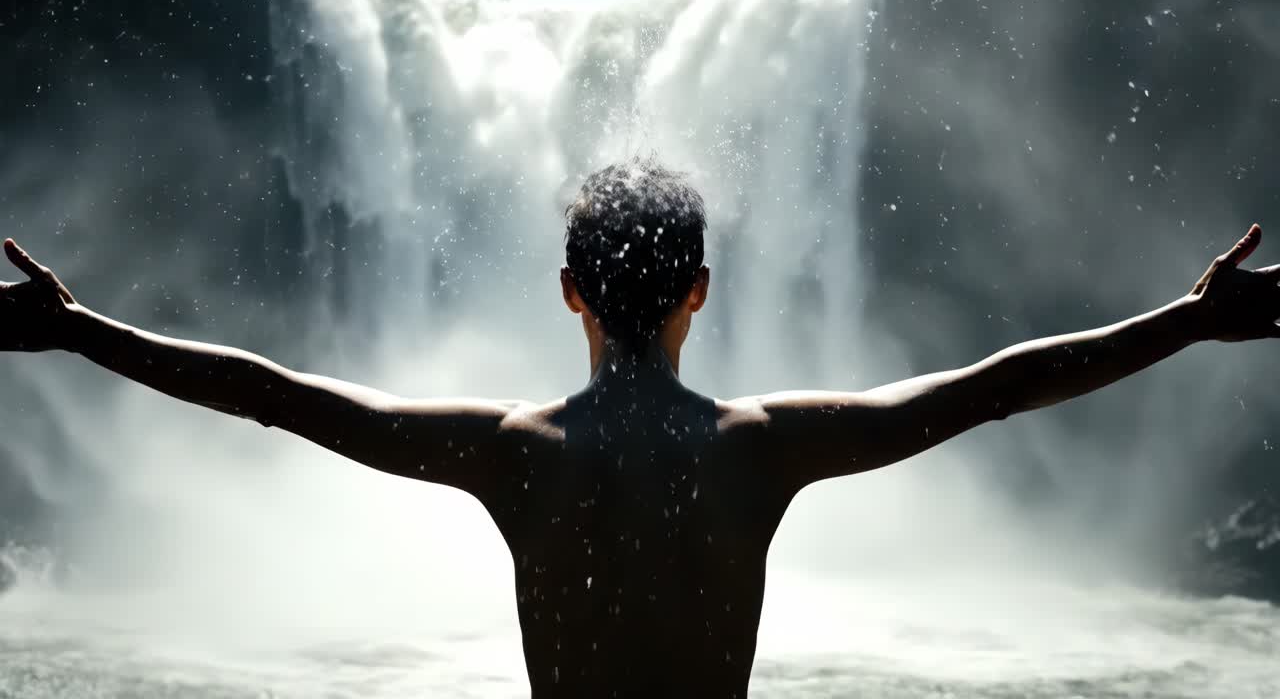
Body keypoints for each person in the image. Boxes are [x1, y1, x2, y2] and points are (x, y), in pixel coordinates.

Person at [1, 159, 1277, 698]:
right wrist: (1192, 318)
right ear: (700, 291)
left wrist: (80, 330)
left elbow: (275, 395)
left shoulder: (510, 452)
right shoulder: (762, 446)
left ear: (564, 290)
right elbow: (991, 385)